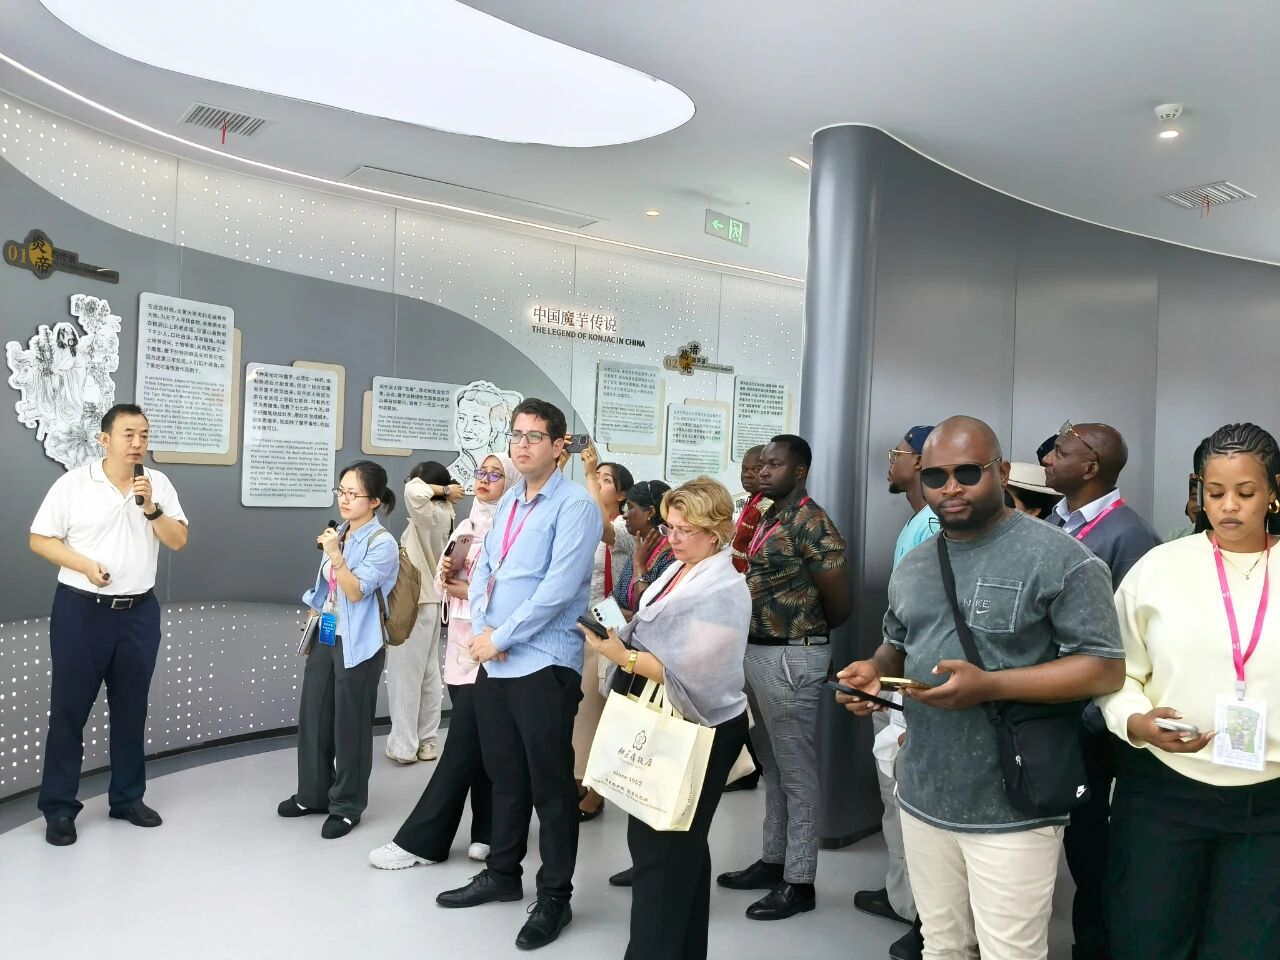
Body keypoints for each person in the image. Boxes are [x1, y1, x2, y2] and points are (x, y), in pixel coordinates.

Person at [836, 416, 1125, 960]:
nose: (951, 488)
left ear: (1001, 471)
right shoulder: (915, 565)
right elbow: (895, 644)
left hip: (1014, 805)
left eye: (968, 472)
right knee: (942, 946)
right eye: (936, 476)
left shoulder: (1061, 558)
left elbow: (1103, 668)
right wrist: (874, 670)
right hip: (923, 791)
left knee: (1009, 952)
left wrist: (990, 685)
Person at [1098, 422, 1280, 960]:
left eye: (1246, 493)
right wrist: (1134, 720)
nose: (1229, 507)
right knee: (1148, 939)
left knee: (1249, 945)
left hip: (1270, 798)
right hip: (1164, 791)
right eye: (1215, 492)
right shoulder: (1160, 568)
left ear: (1274, 491)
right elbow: (1118, 672)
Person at [436, 398, 601, 952]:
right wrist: (487, 631)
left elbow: (559, 589)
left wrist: (501, 637)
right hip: (497, 659)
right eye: (516, 434)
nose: (522, 444)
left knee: (551, 787)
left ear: (558, 447)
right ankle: (503, 873)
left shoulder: (576, 506)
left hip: (543, 663)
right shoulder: (508, 501)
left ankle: (554, 896)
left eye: (534, 436)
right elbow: (486, 567)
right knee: (504, 775)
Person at [582, 477, 751, 960]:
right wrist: (621, 636)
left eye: (683, 529)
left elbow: (696, 672)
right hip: (673, 716)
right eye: (669, 526)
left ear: (715, 533)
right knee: (678, 848)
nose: (671, 537)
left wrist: (624, 655)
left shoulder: (722, 588)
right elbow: (659, 630)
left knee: (662, 851)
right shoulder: (683, 568)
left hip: (697, 722)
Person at [30, 403, 189, 846]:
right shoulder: (74, 484)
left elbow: (178, 540)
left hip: (139, 613)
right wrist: (83, 565)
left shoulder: (157, 483)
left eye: (144, 435)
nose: (138, 443)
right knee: (69, 712)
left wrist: (151, 508)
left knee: (131, 710)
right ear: (105, 439)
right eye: (128, 434)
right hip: (81, 612)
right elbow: (39, 539)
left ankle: (127, 799)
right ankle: (59, 808)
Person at [718, 434, 851, 920]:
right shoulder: (766, 515)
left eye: (775, 465)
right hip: (755, 651)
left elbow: (840, 605)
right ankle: (773, 860)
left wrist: (803, 631)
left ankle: (800, 880)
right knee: (772, 765)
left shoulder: (812, 522)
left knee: (796, 771)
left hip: (791, 656)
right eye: (762, 464)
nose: (764, 471)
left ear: (799, 472)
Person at [1043, 420, 1162, 960]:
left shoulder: (1131, 537)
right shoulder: (1056, 521)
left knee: (1094, 849)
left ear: (1090, 466)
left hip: (1093, 721)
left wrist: (1093, 717)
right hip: (1052, 709)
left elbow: (1134, 641)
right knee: (1070, 840)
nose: (1048, 459)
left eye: (1060, 452)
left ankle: (1098, 947)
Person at [369, 454, 520, 871]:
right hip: (459, 647)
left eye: (495, 474)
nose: (485, 480)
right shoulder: (466, 524)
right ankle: (488, 831)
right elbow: (440, 582)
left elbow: (515, 591)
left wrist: (468, 589)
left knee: (465, 744)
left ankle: (424, 839)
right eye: (481, 473)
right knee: (483, 741)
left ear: (511, 482)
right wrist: (448, 578)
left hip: (494, 649)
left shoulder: (514, 530)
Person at [278, 460, 399, 839]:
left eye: (353, 494)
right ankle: (313, 794)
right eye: (341, 491)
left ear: (375, 501)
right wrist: (313, 619)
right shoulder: (340, 531)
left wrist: (335, 554)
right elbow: (326, 589)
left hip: (360, 643)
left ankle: (347, 805)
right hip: (327, 634)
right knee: (314, 715)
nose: (344, 499)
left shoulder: (382, 543)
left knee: (350, 725)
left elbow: (355, 591)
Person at [856, 424, 934, 960]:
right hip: (897, 670)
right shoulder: (917, 520)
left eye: (899, 453)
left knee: (909, 799)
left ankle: (927, 916)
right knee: (895, 797)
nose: (891, 461)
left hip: (918, 682)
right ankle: (904, 897)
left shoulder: (932, 525)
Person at [385, 461, 462, 764]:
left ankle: (404, 746)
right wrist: (445, 493)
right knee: (428, 673)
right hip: (430, 602)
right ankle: (427, 741)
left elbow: (412, 490)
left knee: (405, 675)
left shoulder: (428, 511)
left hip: (414, 602)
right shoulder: (446, 514)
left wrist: (443, 490)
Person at [573, 444, 635, 821]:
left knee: (599, 710)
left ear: (622, 494)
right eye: (596, 478)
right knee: (582, 710)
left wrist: (586, 474)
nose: (597, 482)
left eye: (605, 480)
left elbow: (605, 530)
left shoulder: (627, 528)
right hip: (583, 622)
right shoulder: (585, 521)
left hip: (609, 624)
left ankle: (594, 790)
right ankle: (580, 778)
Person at [611, 480, 675, 616]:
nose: (624, 515)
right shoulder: (638, 553)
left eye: (630, 507)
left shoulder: (672, 557)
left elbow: (648, 614)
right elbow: (614, 602)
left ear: (650, 512)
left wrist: (639, 565)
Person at [734, 444, 766, 517]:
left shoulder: (770, 506)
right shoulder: (746, 501)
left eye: (756, 470)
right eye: (744, 469)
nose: (747, 475)